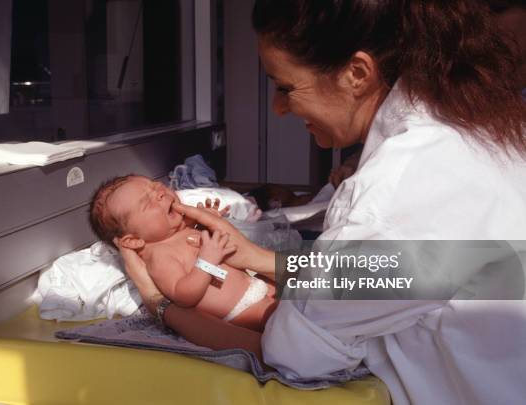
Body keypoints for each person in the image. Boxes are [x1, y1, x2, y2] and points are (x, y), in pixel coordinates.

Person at [118, 0, 526, 404]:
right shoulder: (467, 124)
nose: (278, 109)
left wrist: (159, 305)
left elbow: (296, 352)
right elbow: (380, 273)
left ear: (357, 73)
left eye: (285, 87)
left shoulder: (401, 191)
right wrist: (260, 259)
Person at [89, 175, 277, 332]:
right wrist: (207, 261)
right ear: (133, 240)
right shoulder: (159, 255)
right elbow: (183, 295)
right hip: (242, 312)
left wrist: (209, 220)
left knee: (297, 292)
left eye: (157, 186)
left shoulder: (183, 227)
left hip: (257, 287)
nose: (161, 193)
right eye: (147, 202)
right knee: (280, 320)